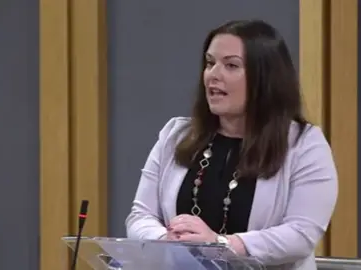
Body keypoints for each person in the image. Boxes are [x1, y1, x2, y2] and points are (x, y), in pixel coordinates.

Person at [125, 19, 338, 269]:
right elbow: (140, 216)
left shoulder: (304, 145)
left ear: (265, 78)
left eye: (231, 65)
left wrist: (220, 245)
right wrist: (166, 241)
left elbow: (301, 234)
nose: (214, 75)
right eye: (210, 63)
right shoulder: (176, 134)